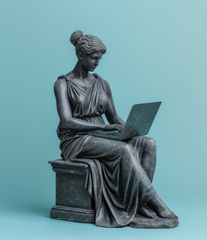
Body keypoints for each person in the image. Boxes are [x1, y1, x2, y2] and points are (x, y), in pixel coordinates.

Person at [54, 30, 177, 227]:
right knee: (125, 149)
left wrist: (128, 128)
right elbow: (67, 121)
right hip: (77, 138)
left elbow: (113, 117)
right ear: (80, 55)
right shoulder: (63, 83)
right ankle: (155, 202)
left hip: (103, 133)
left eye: (99, 59)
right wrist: (105, 128)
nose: (97, 62)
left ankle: (139, 202)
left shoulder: (102, 83)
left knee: (147, 144)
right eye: (94, 58)